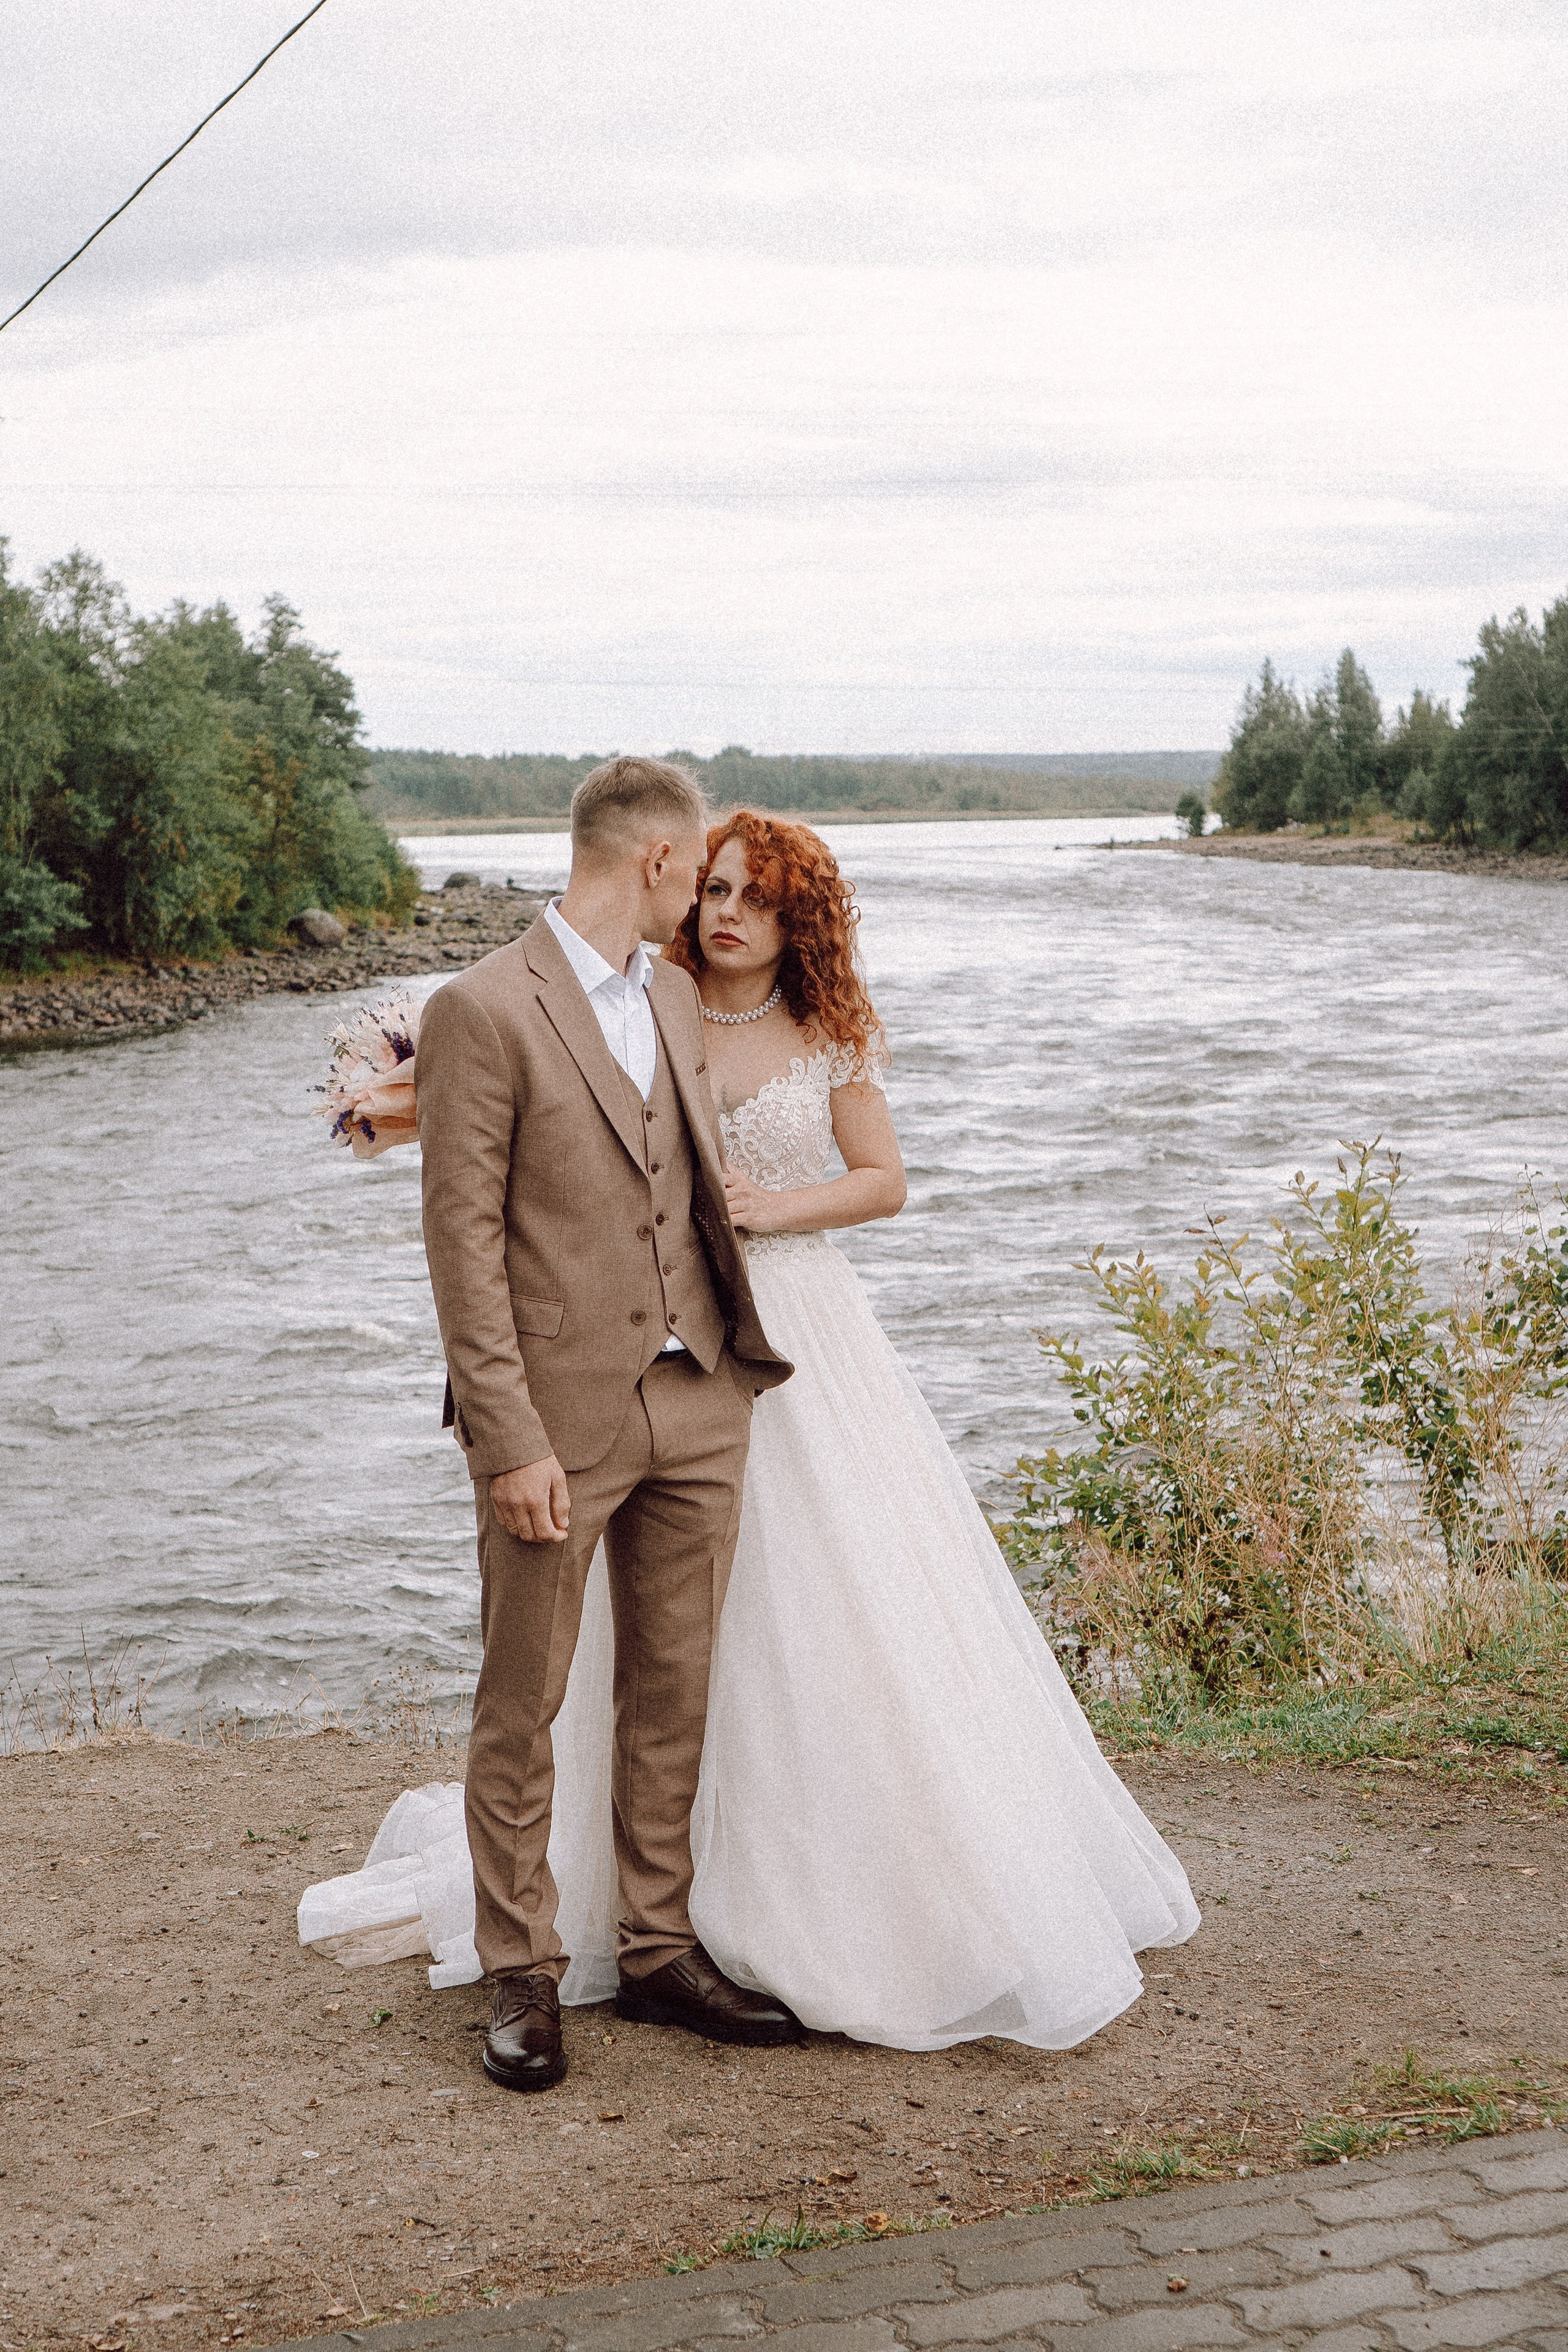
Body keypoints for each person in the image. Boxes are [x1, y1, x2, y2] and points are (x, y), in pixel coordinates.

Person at [540, 810, 1200, 2049]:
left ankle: (847, 1903)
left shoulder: (829, 1033)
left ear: (803, 925)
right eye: (719, 889)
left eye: (762, 901)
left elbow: (882, 1180)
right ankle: (651, 1908)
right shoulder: (647, 1005)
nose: (730, 912)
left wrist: (770, 1209)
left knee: (831, 1604)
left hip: (803, 1339)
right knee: (678, 1625)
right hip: (673, 1342)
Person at [414, 758, 797, 2094]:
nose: (699, 897)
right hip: (554, 1423)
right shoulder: (478, 1008)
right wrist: (506, 1436)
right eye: (695, 871)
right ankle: (520, 1970)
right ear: (651, 861)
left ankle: (657, 1948)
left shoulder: (681, 996)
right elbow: (461, 1244)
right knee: (522, 1700)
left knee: (672, 1689)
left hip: (698, 1399)